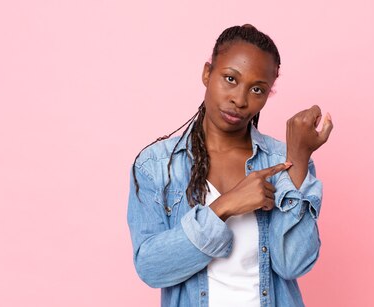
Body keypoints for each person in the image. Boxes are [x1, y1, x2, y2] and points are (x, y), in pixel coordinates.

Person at [127, 24, 333, 307]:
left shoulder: (280, 161)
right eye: (230, 79)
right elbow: (151, 268)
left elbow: (292, 265)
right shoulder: (157, 166)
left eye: (257, 89)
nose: (240, 99)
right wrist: (224, 207)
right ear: (207, 73)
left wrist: (298, 160)